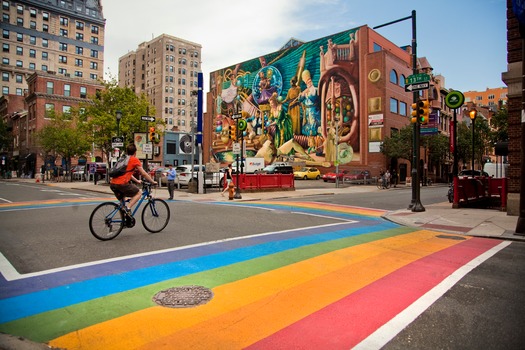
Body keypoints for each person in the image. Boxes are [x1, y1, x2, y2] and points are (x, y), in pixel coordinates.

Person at [110, 144, 157, 217]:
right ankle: (128, 208)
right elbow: (143, 173)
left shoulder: (123, 159)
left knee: (122, 204)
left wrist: (137, 181)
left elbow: (127, 174)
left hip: (113, 184)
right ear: (135, 152)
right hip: (122, 184)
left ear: (127, 151)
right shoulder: (134, 160)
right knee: (138, 193)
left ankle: (124, 221)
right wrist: (152, 181)